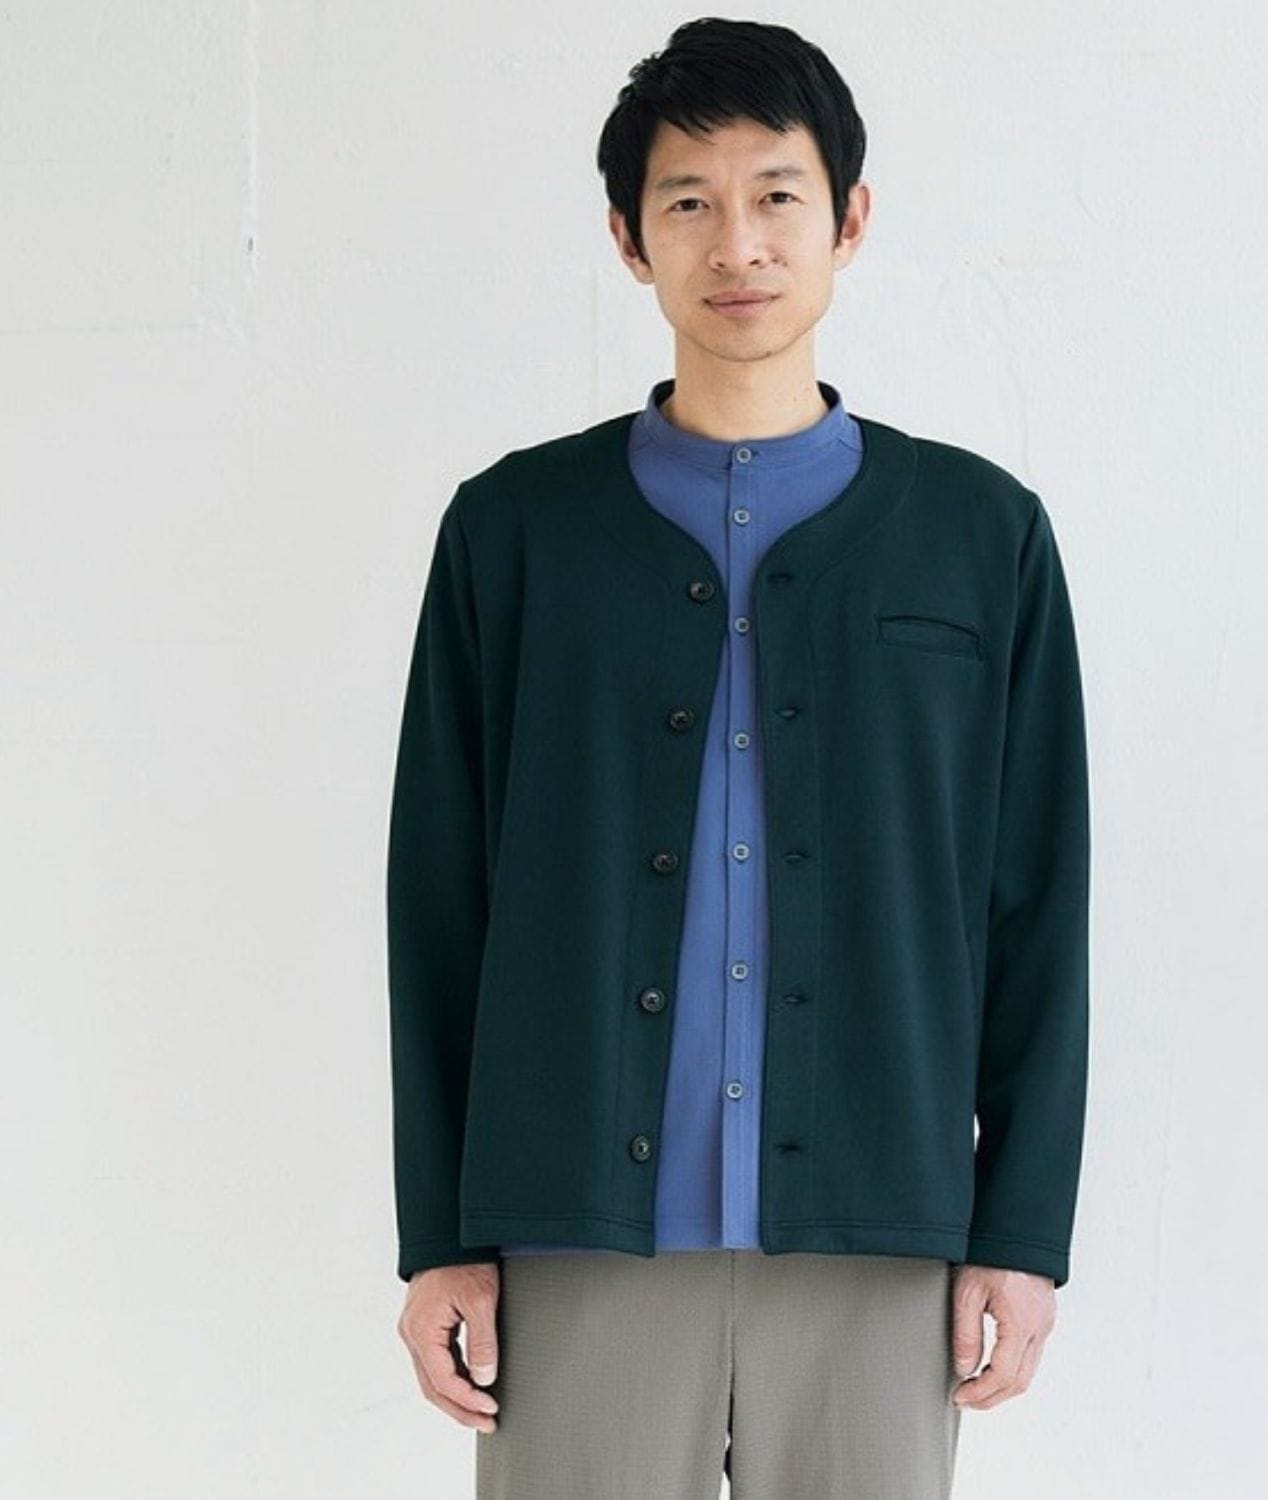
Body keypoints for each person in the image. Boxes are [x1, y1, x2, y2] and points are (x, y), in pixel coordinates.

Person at [387, 17, 1090, 1498]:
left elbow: (1036, 903)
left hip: (877, 1229)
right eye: (688, 202)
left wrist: (1021, 1232)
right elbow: (440, 902)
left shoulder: (982, 539)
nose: (738, 243)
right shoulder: (514, 535)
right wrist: (440, 1233)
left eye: (777, 195)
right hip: (575, 1230)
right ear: (628, 239)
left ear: (850, 220)